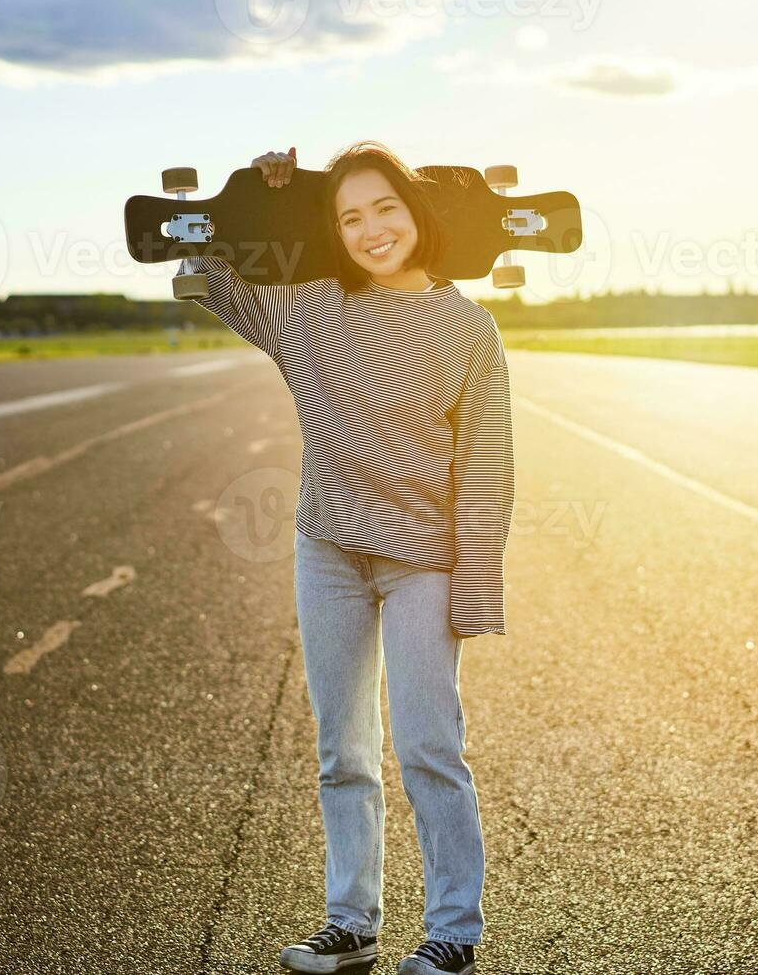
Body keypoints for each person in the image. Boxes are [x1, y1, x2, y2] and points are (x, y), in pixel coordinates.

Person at [182, 142, 513, 975]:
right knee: (342, 751)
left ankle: (451, 934)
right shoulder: (307, 308)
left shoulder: (467, 327)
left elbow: (486, 469)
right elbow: (212, 277)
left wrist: (473, 591)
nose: (371, 230)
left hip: (421, 563)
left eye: (385, 209)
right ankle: (352, 922)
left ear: (415, 213)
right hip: (325, 548)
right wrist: (253, 202)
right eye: (349, 216)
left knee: (429, 747)